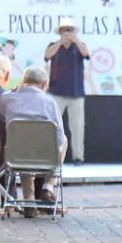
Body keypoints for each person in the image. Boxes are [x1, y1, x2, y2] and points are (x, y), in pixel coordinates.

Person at [0, 65, 66, 210]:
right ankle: (48, 186)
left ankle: (29, 200)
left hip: (16, 155)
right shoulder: (50, 102)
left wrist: (12, 92)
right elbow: (58, 138)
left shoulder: (8, 98)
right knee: (64, 140)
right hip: (45, 155)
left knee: (23, 147)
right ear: (43, 84)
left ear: (23, 81)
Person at [44, 18, 90, 162]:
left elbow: (86, 54)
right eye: (64, 30)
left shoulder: (80, 45)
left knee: (77, 127)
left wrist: (76, 41)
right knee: (52, 126)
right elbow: (47, 56)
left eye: (69, 30)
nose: (67, 33)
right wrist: (60, 42)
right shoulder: (53, 45)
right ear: (60, 32)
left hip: (76, 93)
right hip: (56, 92)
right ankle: (50, 156)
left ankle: (78, 157)